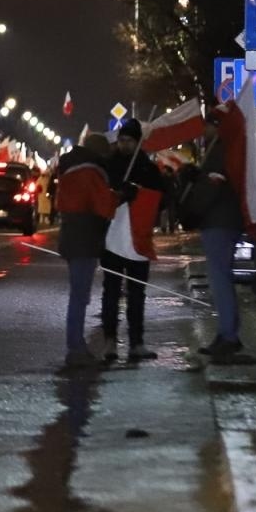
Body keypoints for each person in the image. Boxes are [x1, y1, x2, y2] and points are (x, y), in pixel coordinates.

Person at [102, 118, 167, 362]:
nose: (124, 145)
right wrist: (119, 193)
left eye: (129, 140)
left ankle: (136, 342)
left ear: (138, 142)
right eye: (121, 140)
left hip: (138, 239)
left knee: (137, 293)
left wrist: (140, 193)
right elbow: (101, 197)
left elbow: (161, 200)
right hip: (112, 240)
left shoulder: (148, 169)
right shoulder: (109, 166)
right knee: (111, 291)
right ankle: (110, 341)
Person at [54, 133, 118, 370]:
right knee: (80, 296)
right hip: (86, 237)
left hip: (71, 235)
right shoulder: (91, 172)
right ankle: (76, 348)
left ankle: (76, 345)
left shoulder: (69, 169)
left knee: (77, 294)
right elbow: (103, 207)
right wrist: (119, 196)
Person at [189, 116, 247, 364]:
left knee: (219, 278)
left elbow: (212, 188)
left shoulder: (219, 151)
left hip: (218, 222)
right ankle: (227, 332)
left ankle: (228, 335)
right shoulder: (229, 148)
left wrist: (192, 208)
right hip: (225, 220)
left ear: (217, 127)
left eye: (208, 125)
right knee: (222, 277)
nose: (204, 130)